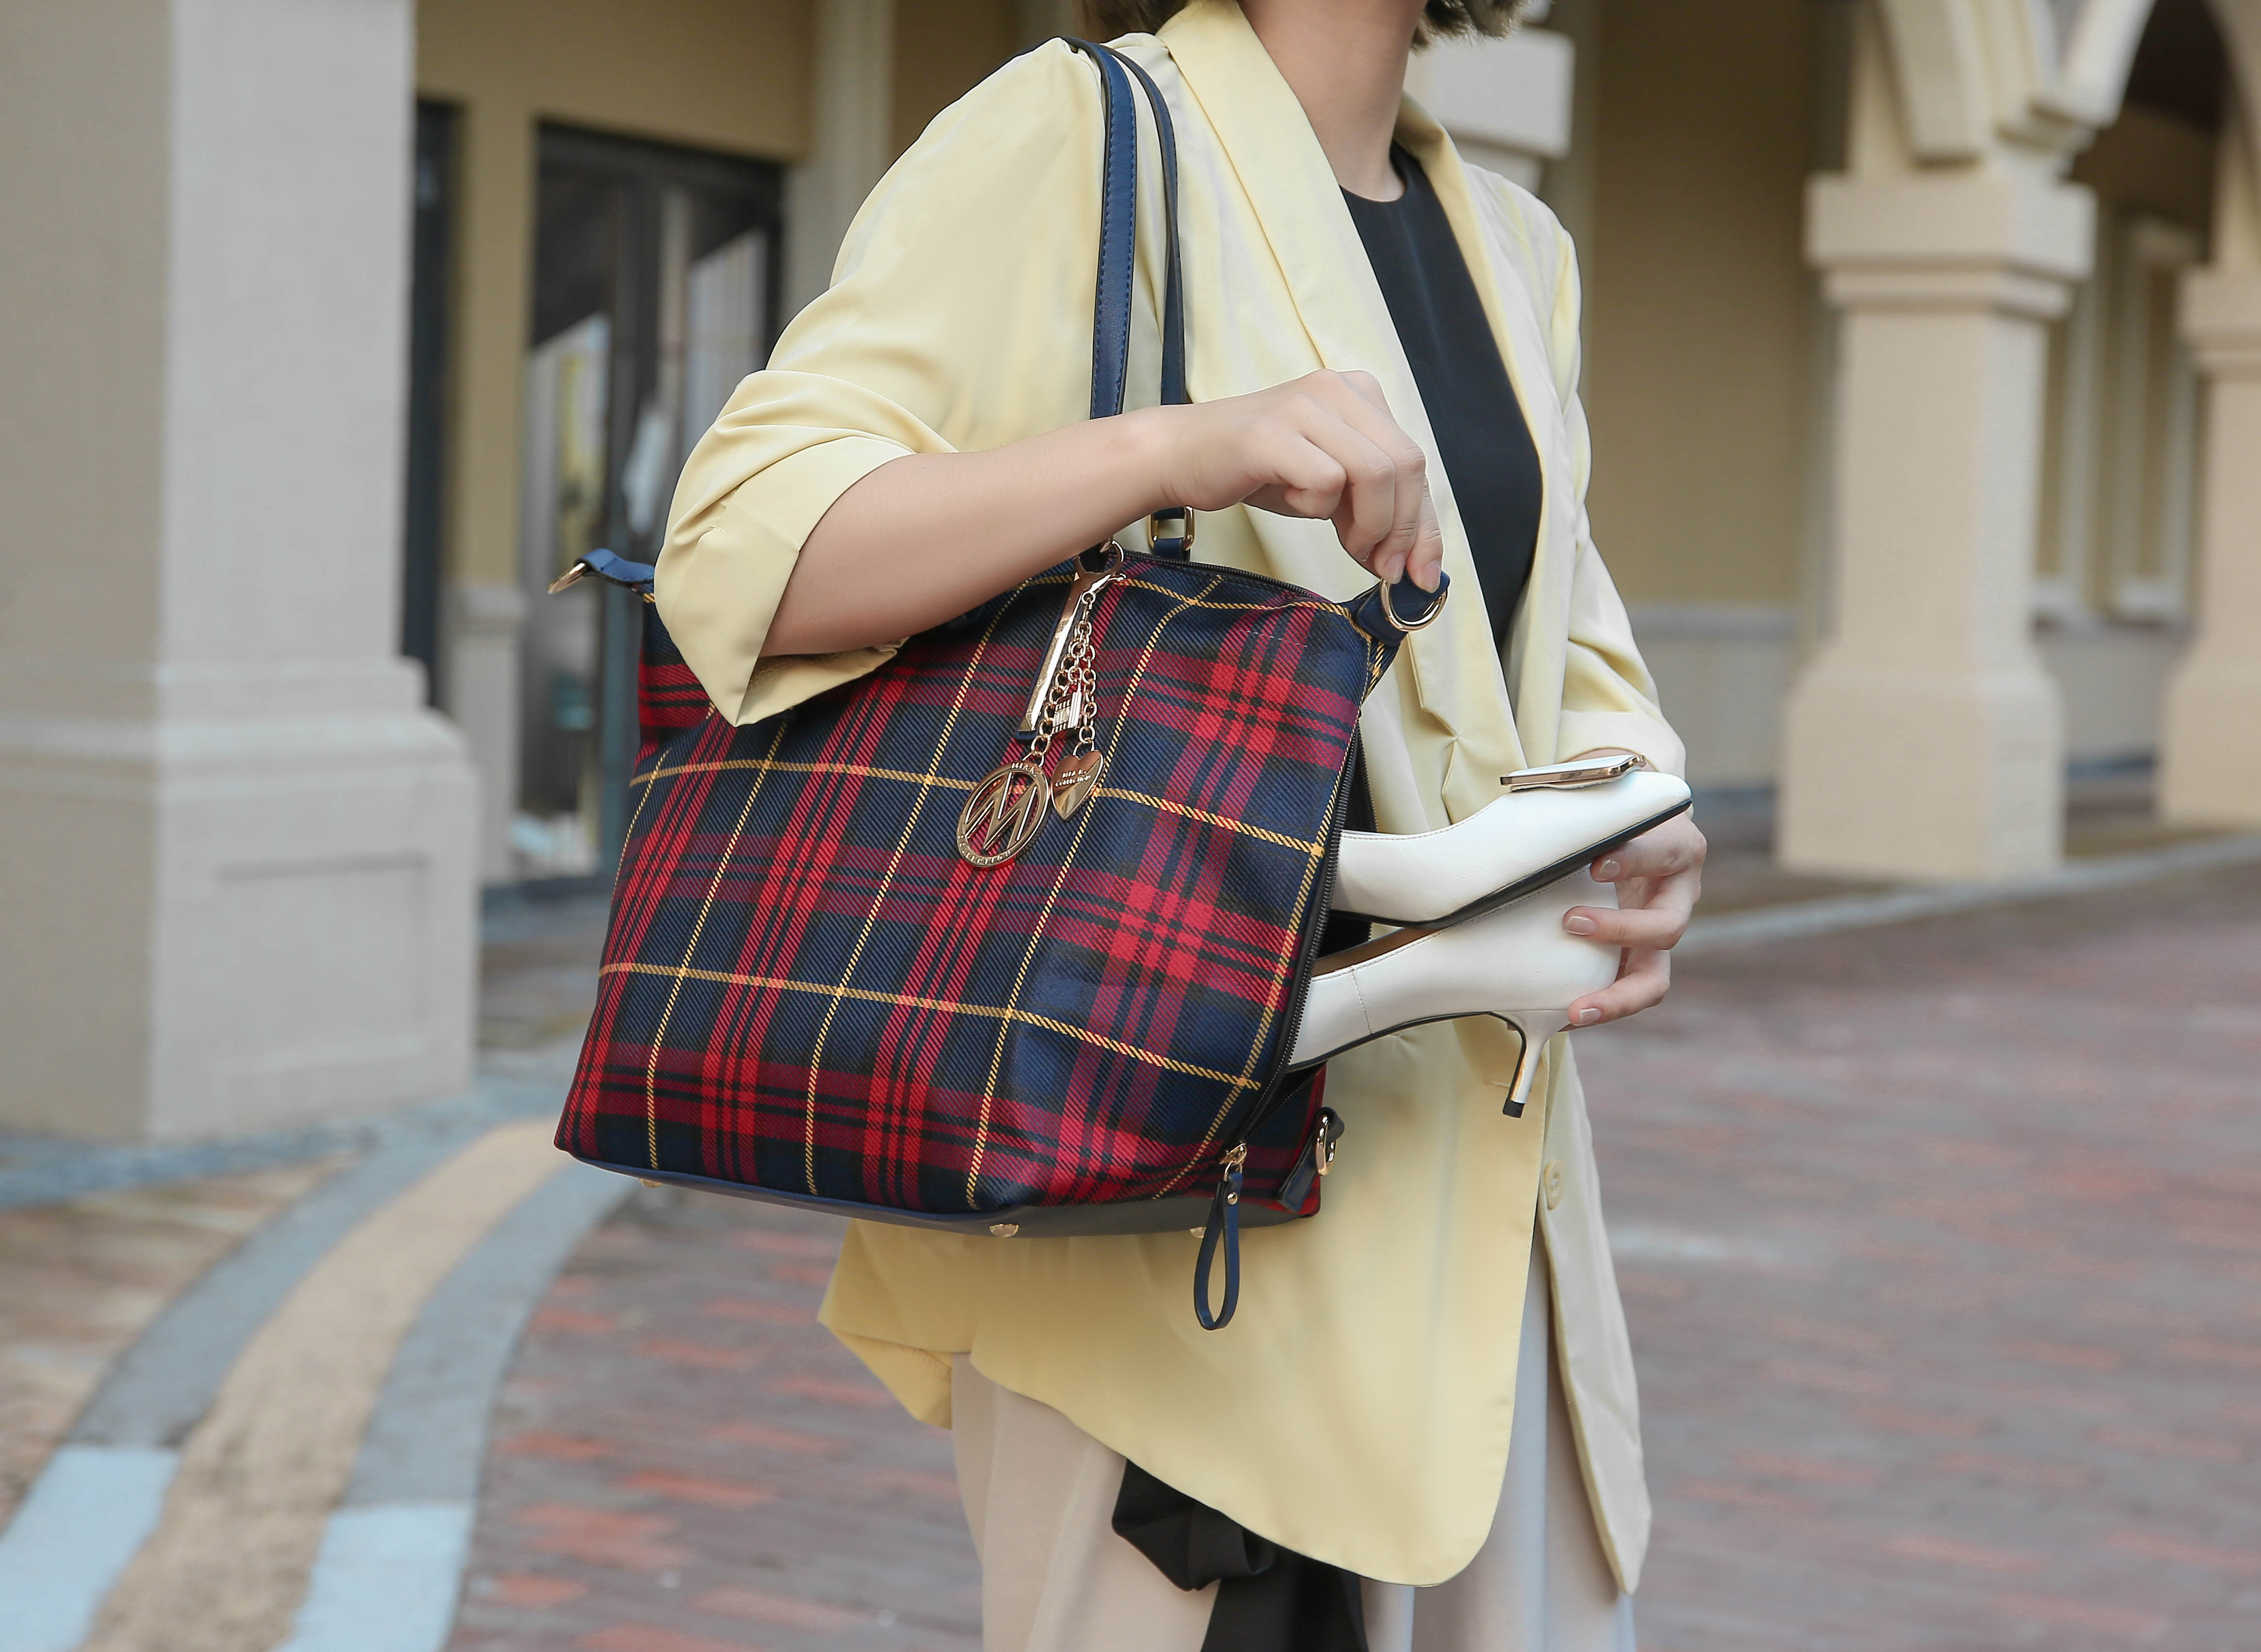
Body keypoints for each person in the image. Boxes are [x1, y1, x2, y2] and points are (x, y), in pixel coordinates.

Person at [655, 1, 1705, 1646]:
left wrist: (1641, 815)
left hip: (1482, 1215)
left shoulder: (1518, 249)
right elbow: (741, 551)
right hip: (1175, 1218)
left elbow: (1564, 656)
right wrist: (1178, 447)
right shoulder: (1077, 135)